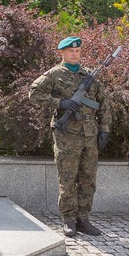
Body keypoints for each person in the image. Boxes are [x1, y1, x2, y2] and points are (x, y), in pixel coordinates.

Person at [29, 37, 111, 237]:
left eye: (78, 51)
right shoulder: (54, 74)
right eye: (71, 51)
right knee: (67, 178)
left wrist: (105, 129)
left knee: (88, 178)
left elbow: (103, 103)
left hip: (90, 134)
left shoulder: (89, 76)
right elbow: (34, 93)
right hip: (67, 136)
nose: (75, 54)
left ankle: (83, 219)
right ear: (62, 53)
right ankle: (69, 220)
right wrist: (61, 103)